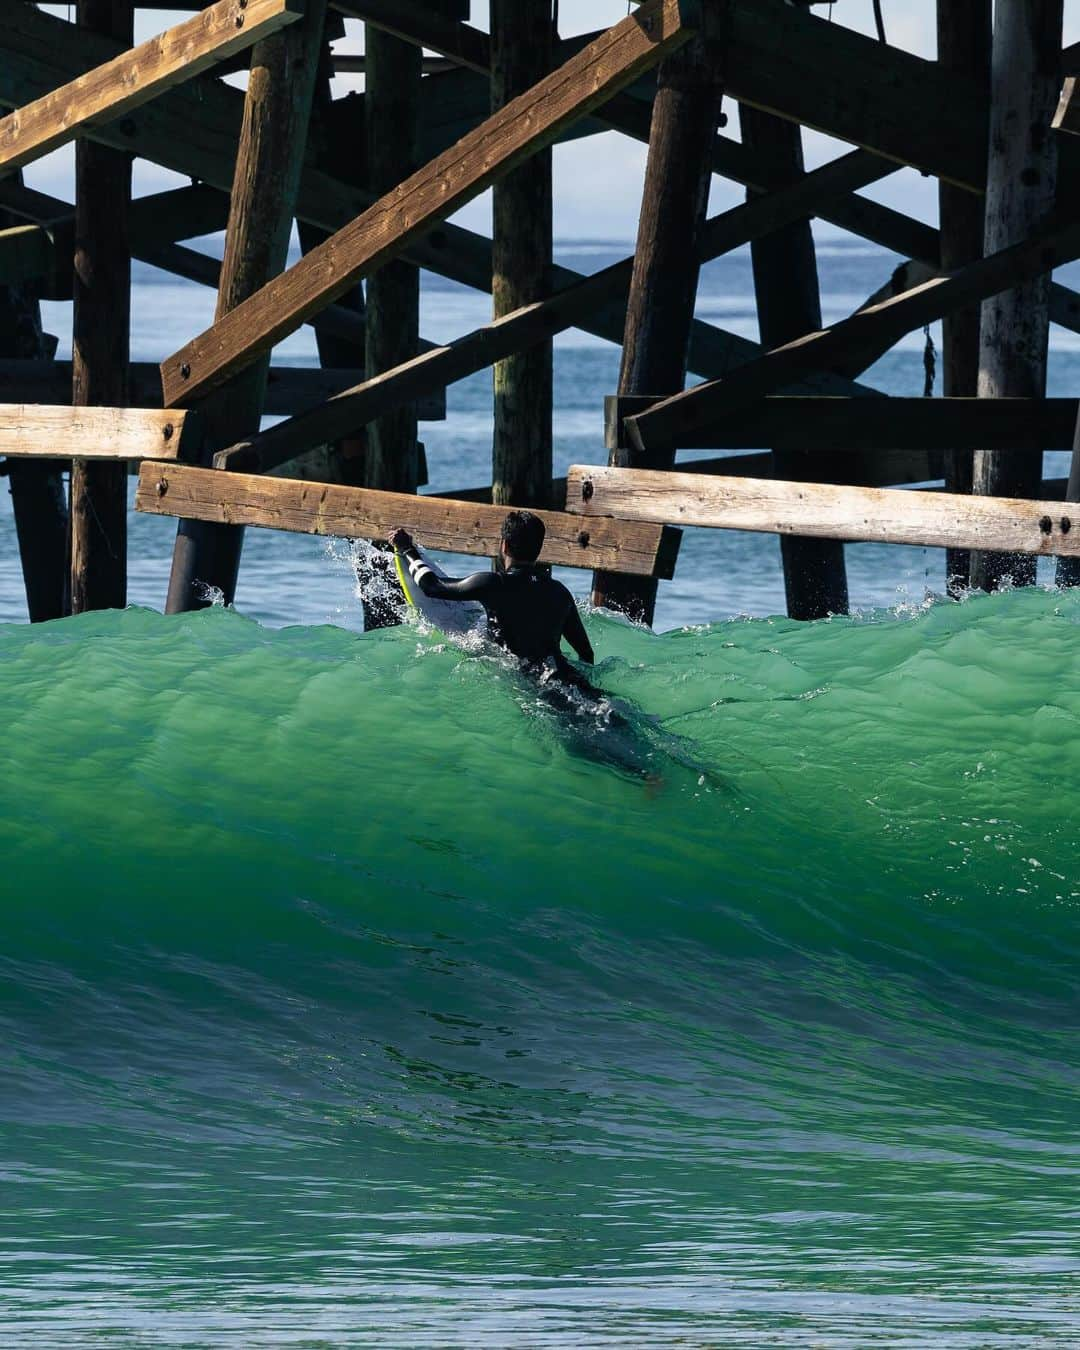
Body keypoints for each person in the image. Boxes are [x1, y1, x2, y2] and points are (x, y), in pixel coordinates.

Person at [389, 510, 595, 686]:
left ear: (504, 546)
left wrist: (407, 549)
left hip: (532, 681)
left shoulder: (492, 584)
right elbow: (587, 655)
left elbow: (431, 586)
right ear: (539, 550)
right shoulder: (560, 592)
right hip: (564, 675)